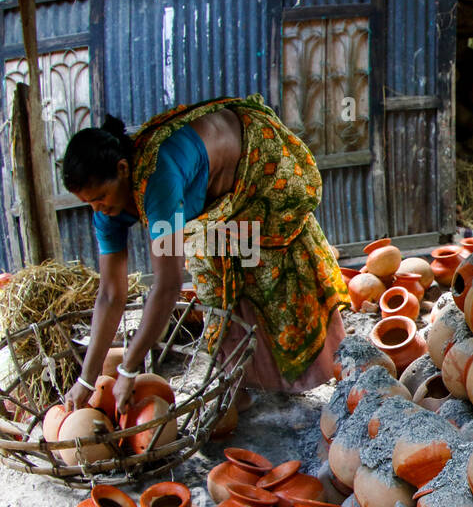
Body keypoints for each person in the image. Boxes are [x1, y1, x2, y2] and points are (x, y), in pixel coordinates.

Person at [60, 94, 348, 415]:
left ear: (123, 169)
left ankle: (325, 365)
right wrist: (87, 379)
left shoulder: (157, 179)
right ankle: (244, 384)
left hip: (255, 160)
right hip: (213, 196)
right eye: (89, 203)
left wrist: (128, 370)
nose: (97, 209)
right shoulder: (106, 209)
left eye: (100, 198)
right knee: (214, 268)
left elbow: (167, 285)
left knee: (264, 262)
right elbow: (110, 294)